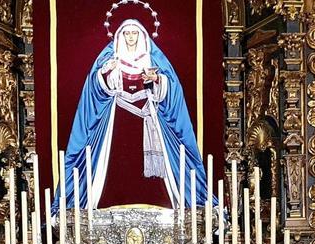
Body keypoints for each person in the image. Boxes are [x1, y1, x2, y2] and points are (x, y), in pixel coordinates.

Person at [57, 18, 215, 211]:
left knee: (155, 179)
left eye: (134, 33)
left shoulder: (152, 59)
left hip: (148, 119)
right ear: (121, 36)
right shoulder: (110, 58)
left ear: (141, 36)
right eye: (127, 33)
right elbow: (94, 88)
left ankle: (160, 205)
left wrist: (157, 79)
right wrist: (106, 73)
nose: (131, 37)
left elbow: (172, 90)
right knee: (116, 171)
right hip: (118, 121)